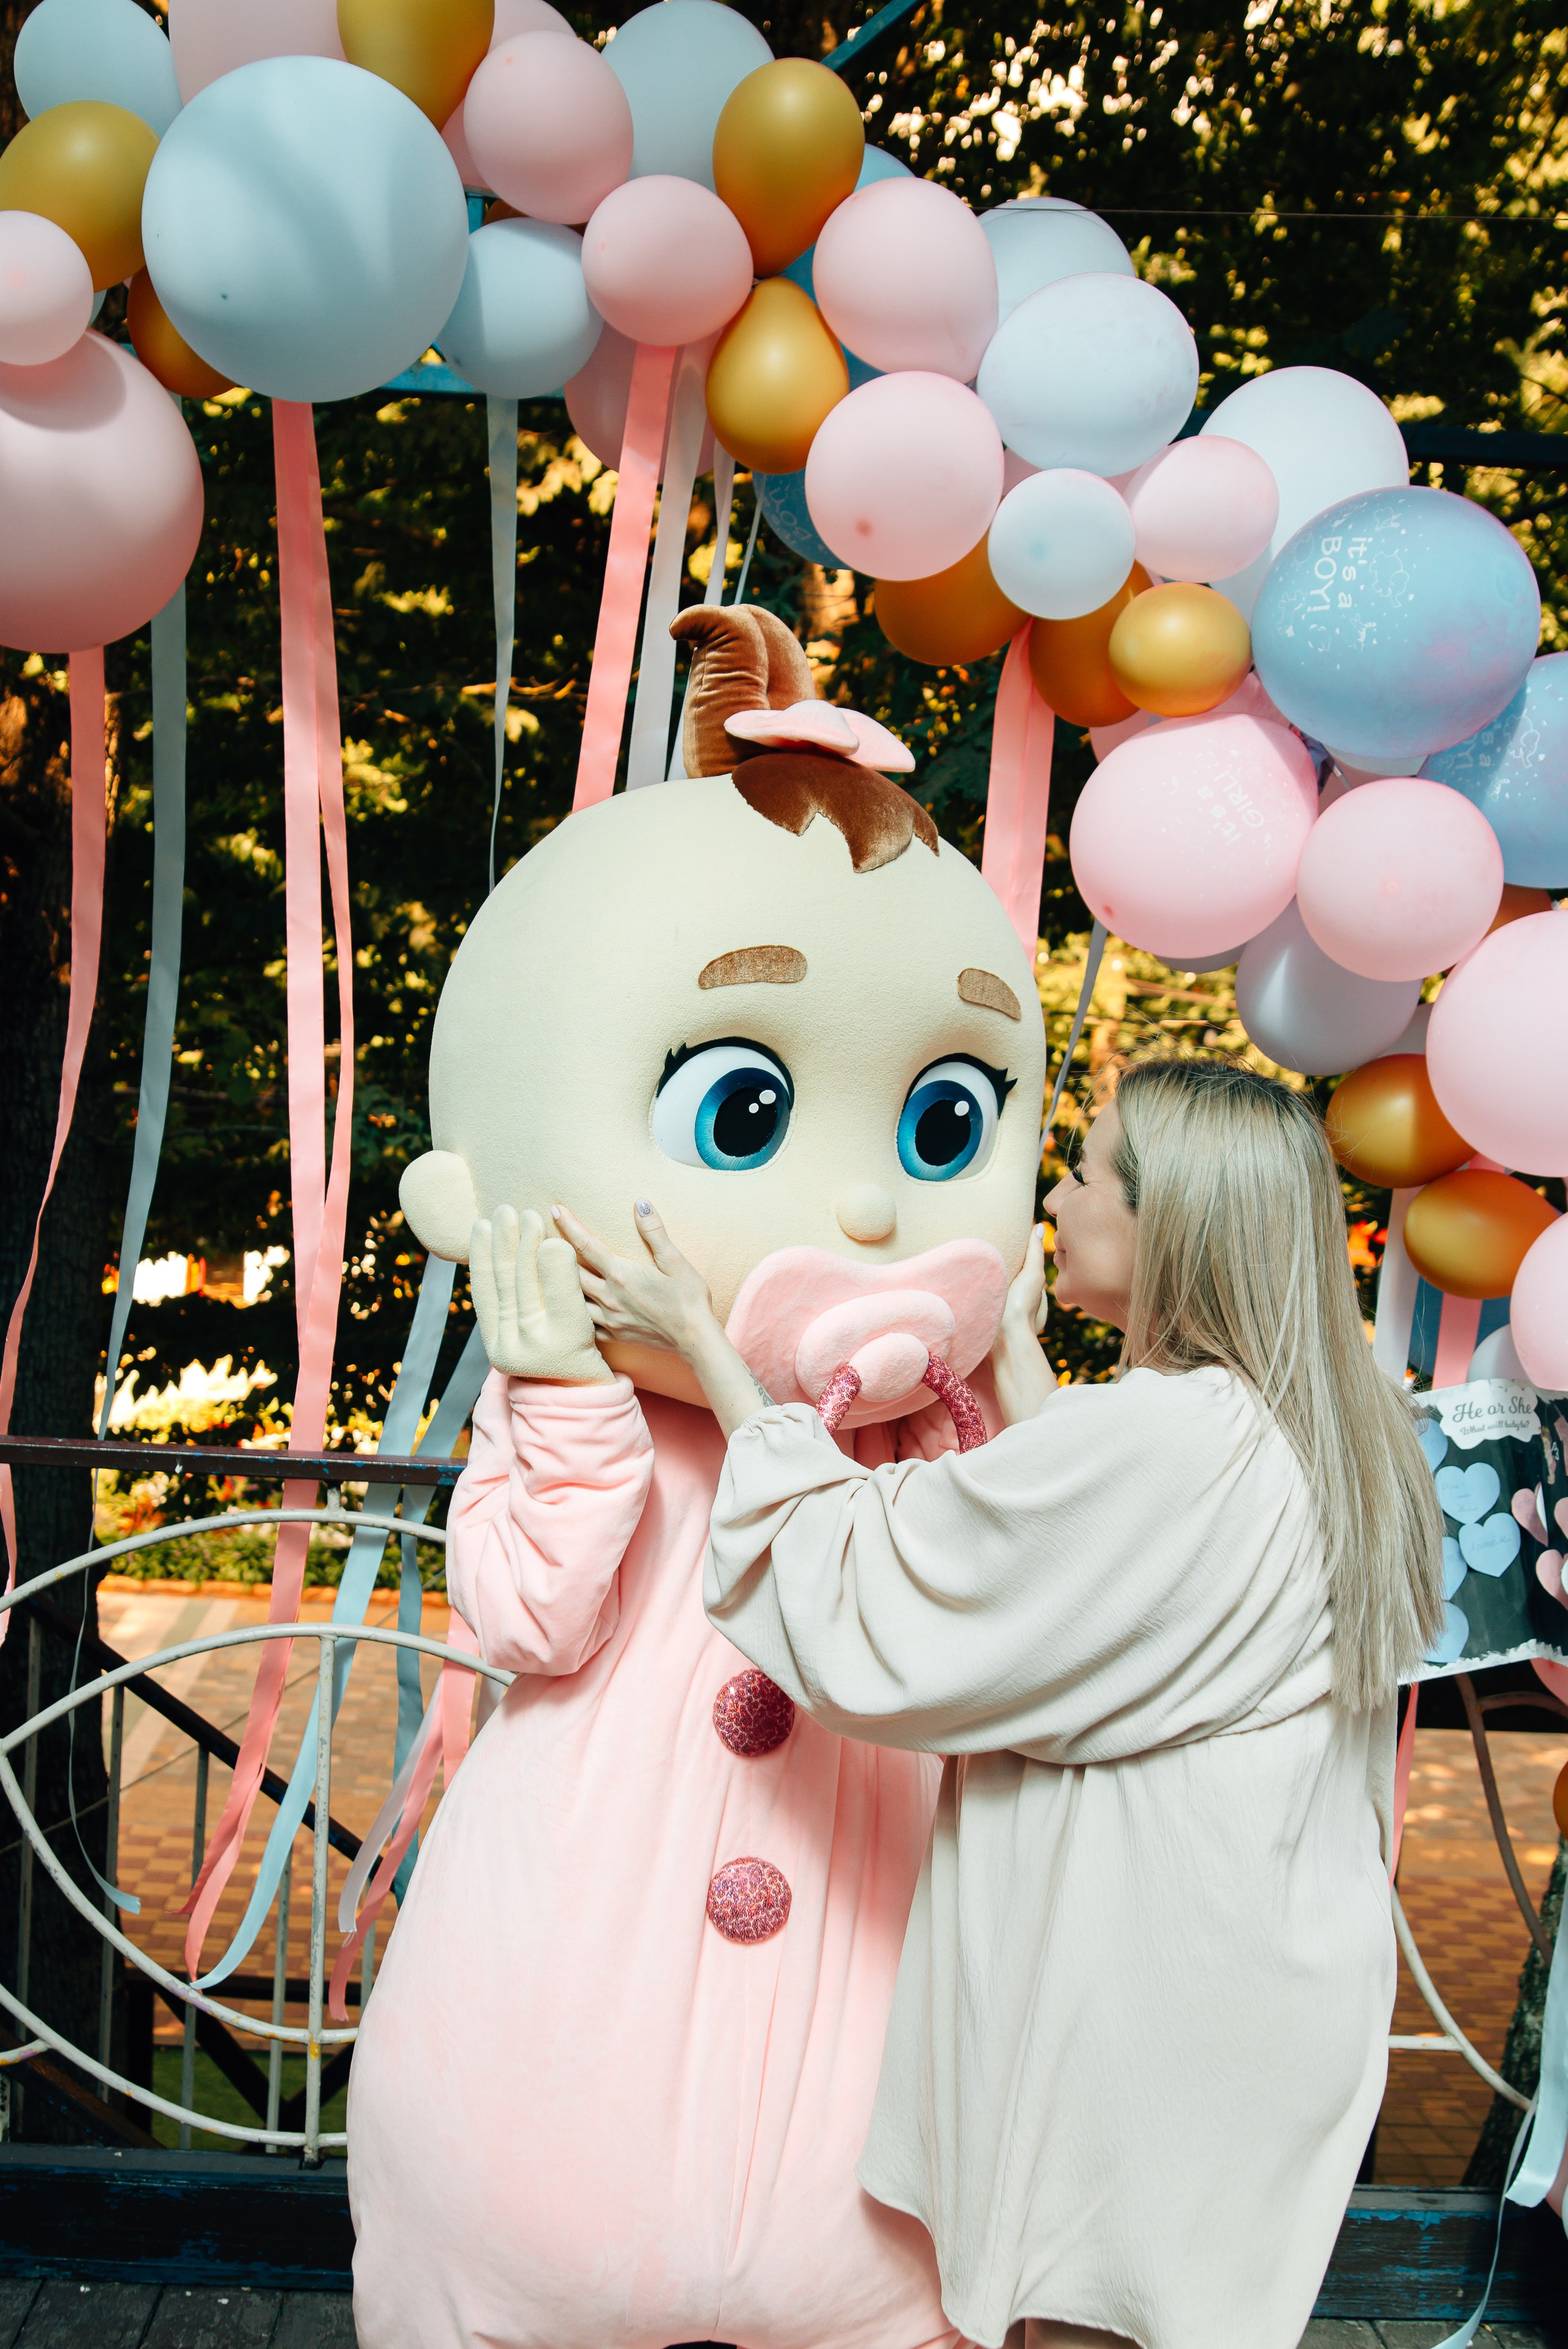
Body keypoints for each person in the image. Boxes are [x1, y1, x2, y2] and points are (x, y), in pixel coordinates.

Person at [560, 1056, 1446, 2349]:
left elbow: (859, 1575)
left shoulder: (1162, 1444)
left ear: (1167, 1223)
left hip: (1149, 2014)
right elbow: (1102, 1570)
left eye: (1087, 1170)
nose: (1057, 1192)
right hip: (1273, 1981)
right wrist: (1020, 1352)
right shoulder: (1345, 1431)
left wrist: (697, 1330)